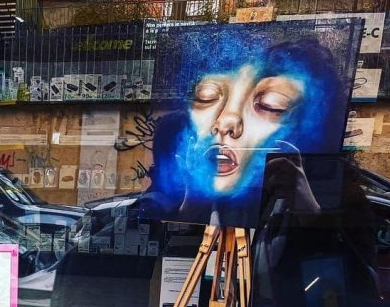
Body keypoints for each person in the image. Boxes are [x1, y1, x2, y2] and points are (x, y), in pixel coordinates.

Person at [145, 30, 348, 227]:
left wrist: (306, 208)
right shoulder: (173, 193)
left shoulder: (329, 197)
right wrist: (192, 204)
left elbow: (337, 243)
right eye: (207, 97)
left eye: (270, 106)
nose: (224, 123)